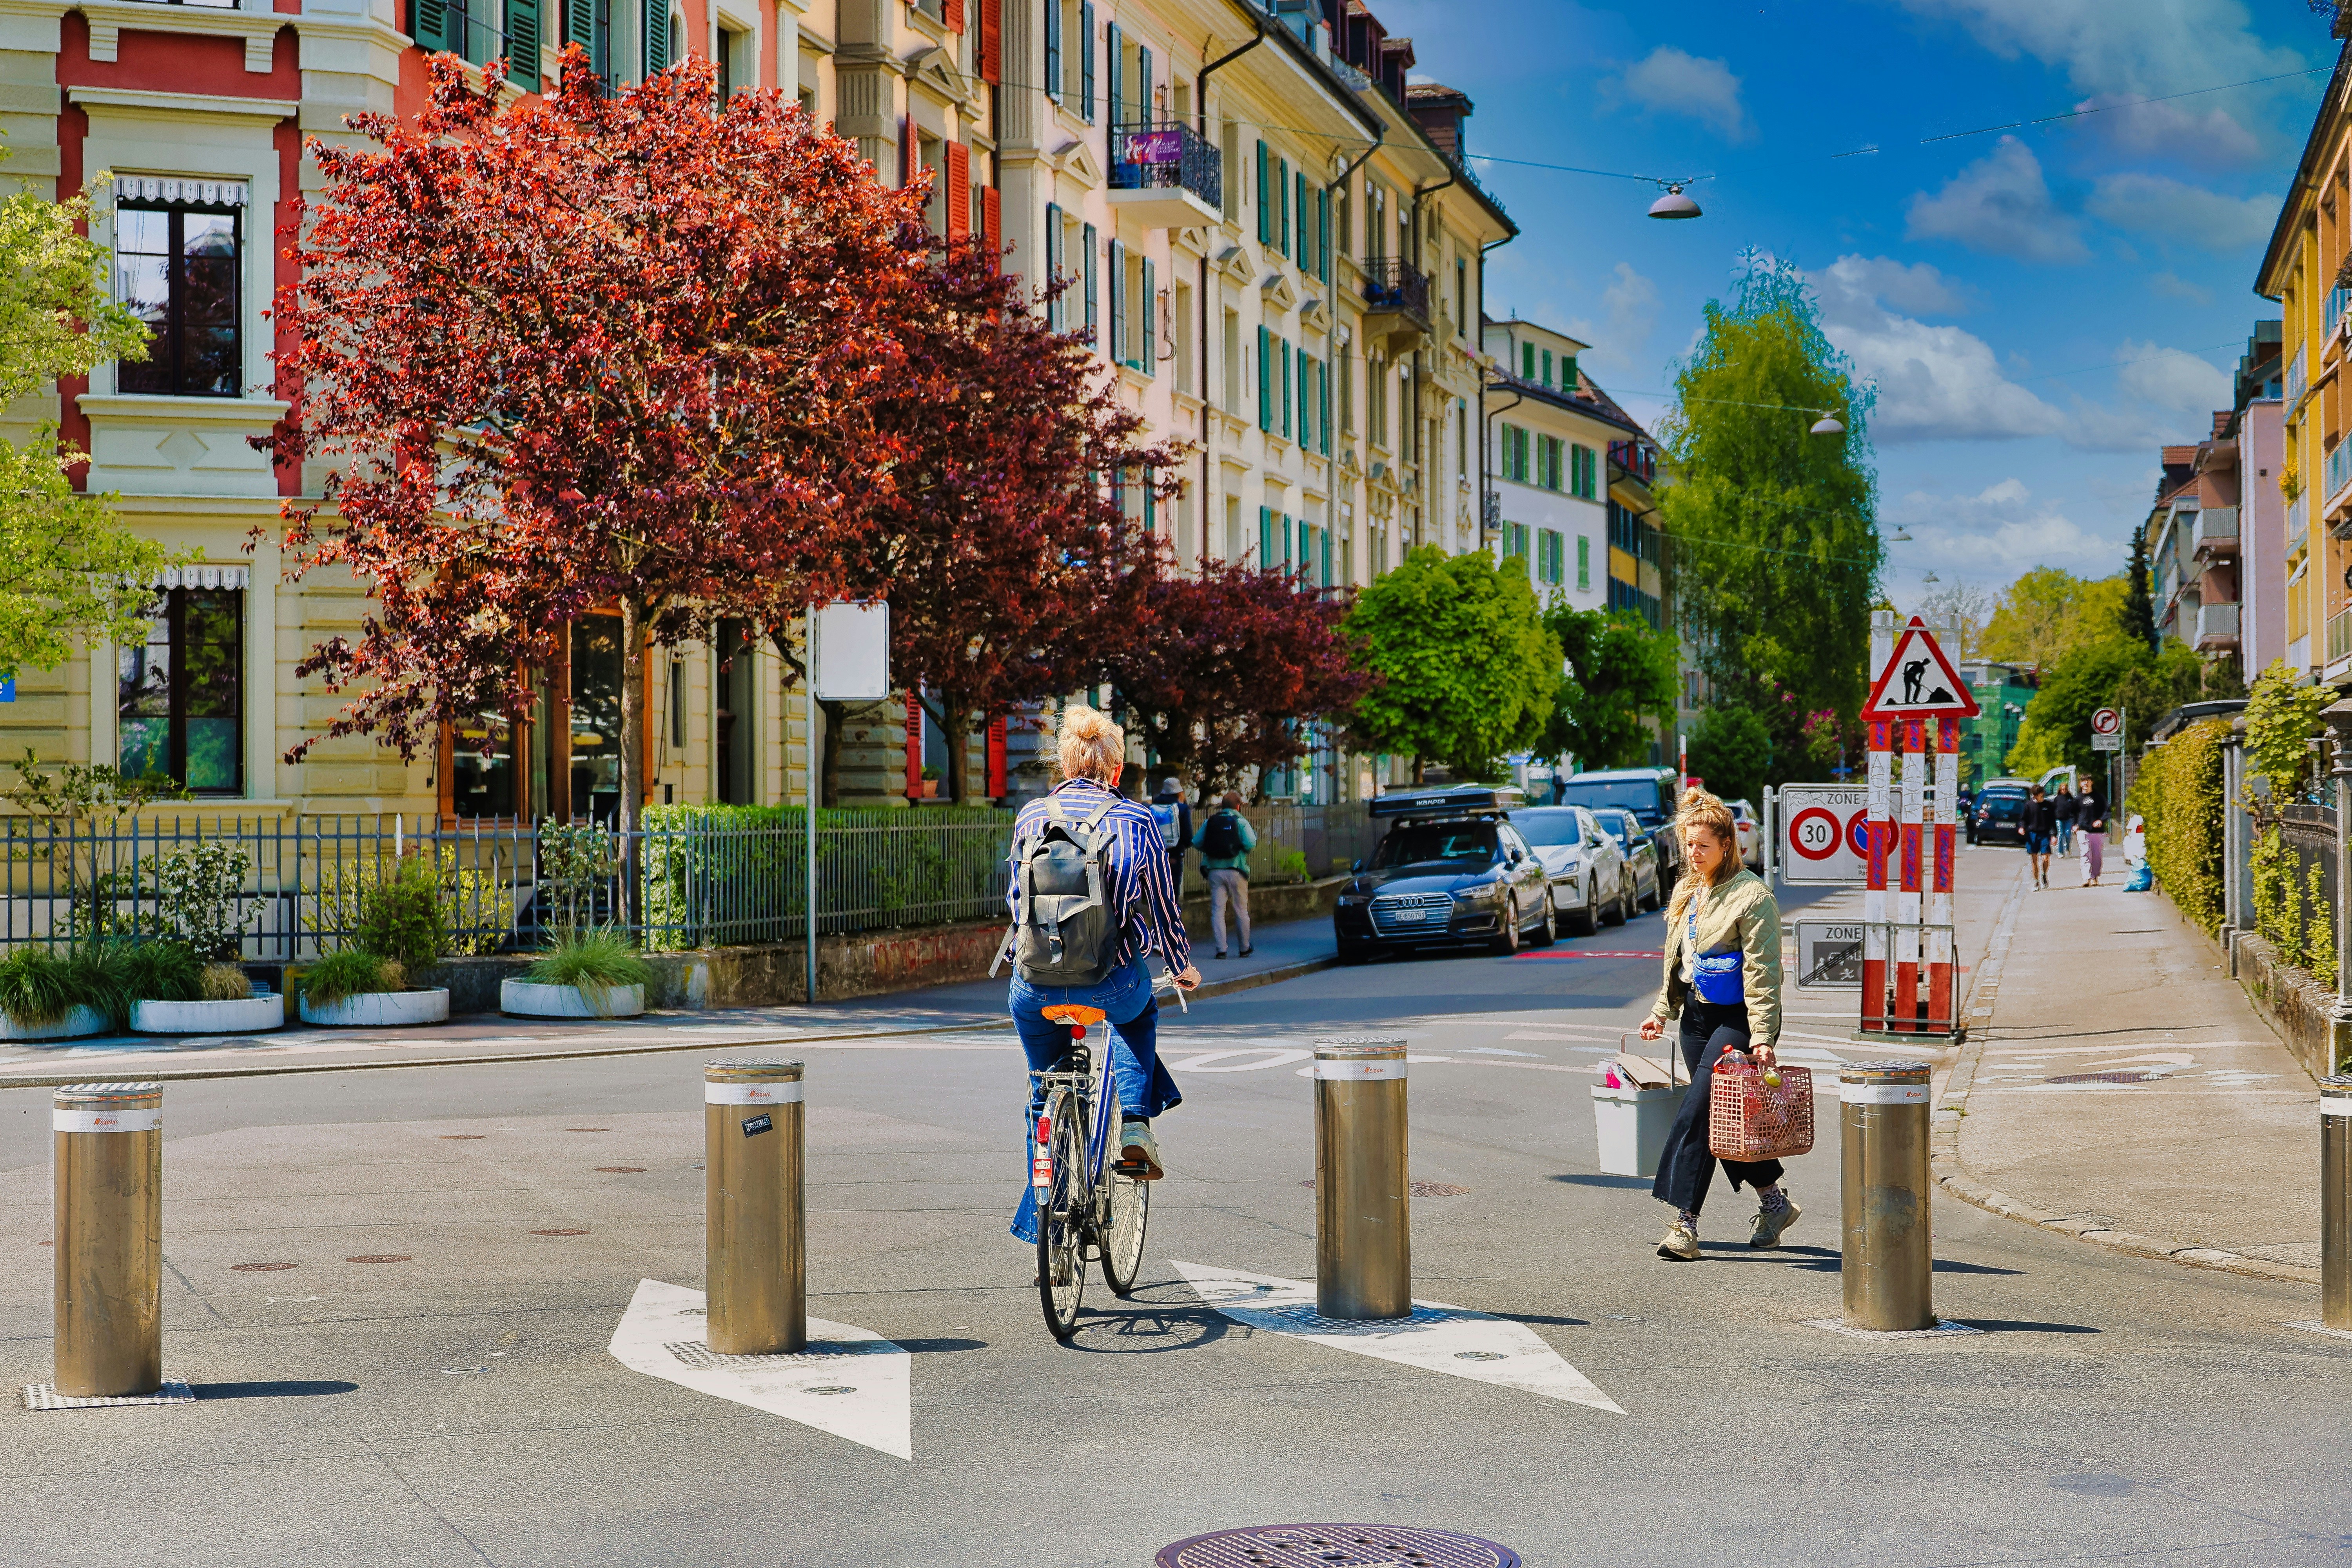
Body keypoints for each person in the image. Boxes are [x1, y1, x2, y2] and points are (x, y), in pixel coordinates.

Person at [1005, 707, 1200, 1246]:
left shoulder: (1030, 817)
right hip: (1111, 979)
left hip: (1034, 983)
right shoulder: (1137, 821)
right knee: (1138, 1017)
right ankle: (1135, 1122)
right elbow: (1164, 910)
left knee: (1043, 1094)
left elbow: (1017, 904)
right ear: (1115, 769)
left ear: (1064, 762)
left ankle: (1046, 1218)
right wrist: (1181, 966)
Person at [1637, 788, 1797, 1261]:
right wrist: (1661, 1010)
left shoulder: (1753, 896)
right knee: (1727, 1119)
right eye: (1689, 845)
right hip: (1697, 1020)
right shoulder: (1690, 889)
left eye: (1702, 845)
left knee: (1698, 1113)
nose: (1693, 854)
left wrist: (1764, 1036)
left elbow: (1764, 974)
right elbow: (1677, 959)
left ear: (1727, 844)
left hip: (1738, 1021)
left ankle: (1685, 1225)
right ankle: (1774, 1203)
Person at [1194, 791, 1257, 958]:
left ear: (1222, 805)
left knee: (1218, 910)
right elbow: (1251, 844)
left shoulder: (1211, 822)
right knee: (1241, 910)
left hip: (1215, 871)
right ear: (1238, 806)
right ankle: (1244, 948)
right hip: (1237, 871)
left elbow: (1197, 842)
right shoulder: (1241, 822)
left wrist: (1211, 851)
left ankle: (1221, 950)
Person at [1149, 777, 1194, 897]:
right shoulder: (1182, 809)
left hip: (1155, 858)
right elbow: (1188, 837)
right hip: (1174, 857)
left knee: (1157, 895)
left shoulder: (1152, 808)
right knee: (1172, 895)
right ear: (1179, 792)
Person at [2021, 784, 2054, 891]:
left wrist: (2054, 835)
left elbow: (2053, 822)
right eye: (2033, 795)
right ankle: (2036, 882)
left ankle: (2044, 874)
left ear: (2042, 794)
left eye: (2037, 795)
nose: (2035, 797)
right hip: (2032, 834)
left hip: (2044, 834)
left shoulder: (2049, 805)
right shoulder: (2029, 805)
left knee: (2046, 857)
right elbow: (2023, 819)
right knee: (2034, 860)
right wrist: (2022, 828)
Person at [2078, 777, 2108, 886]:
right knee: (2085, 854)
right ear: (2081, 784)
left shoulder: (2099, 797)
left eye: (2087, 781)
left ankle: (2095, 877)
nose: (2085, 783)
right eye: (2083, 781)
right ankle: (2087, 878)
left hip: (2097, 831)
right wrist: (2075, 824)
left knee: (2097, 856)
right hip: (2083, 830)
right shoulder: (2078, 798)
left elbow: (2107, 811)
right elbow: (2073, 812)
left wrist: (2101, 820)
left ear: (2092, 782)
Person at [2052, 777, 2078, 857]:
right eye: (2062, 790)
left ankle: (2067, 848)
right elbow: (2054, 809)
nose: (2063, 791)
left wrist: (2075, 821)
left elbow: (2075, 810)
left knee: (2068, 834)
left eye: (2065, 789)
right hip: (2059, 819)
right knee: (2060, 834)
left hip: (2068, 819)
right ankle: (2060, 852)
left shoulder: (2071, 799)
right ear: (2060, 790)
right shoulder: (2057, 799)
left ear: (2067, 790)